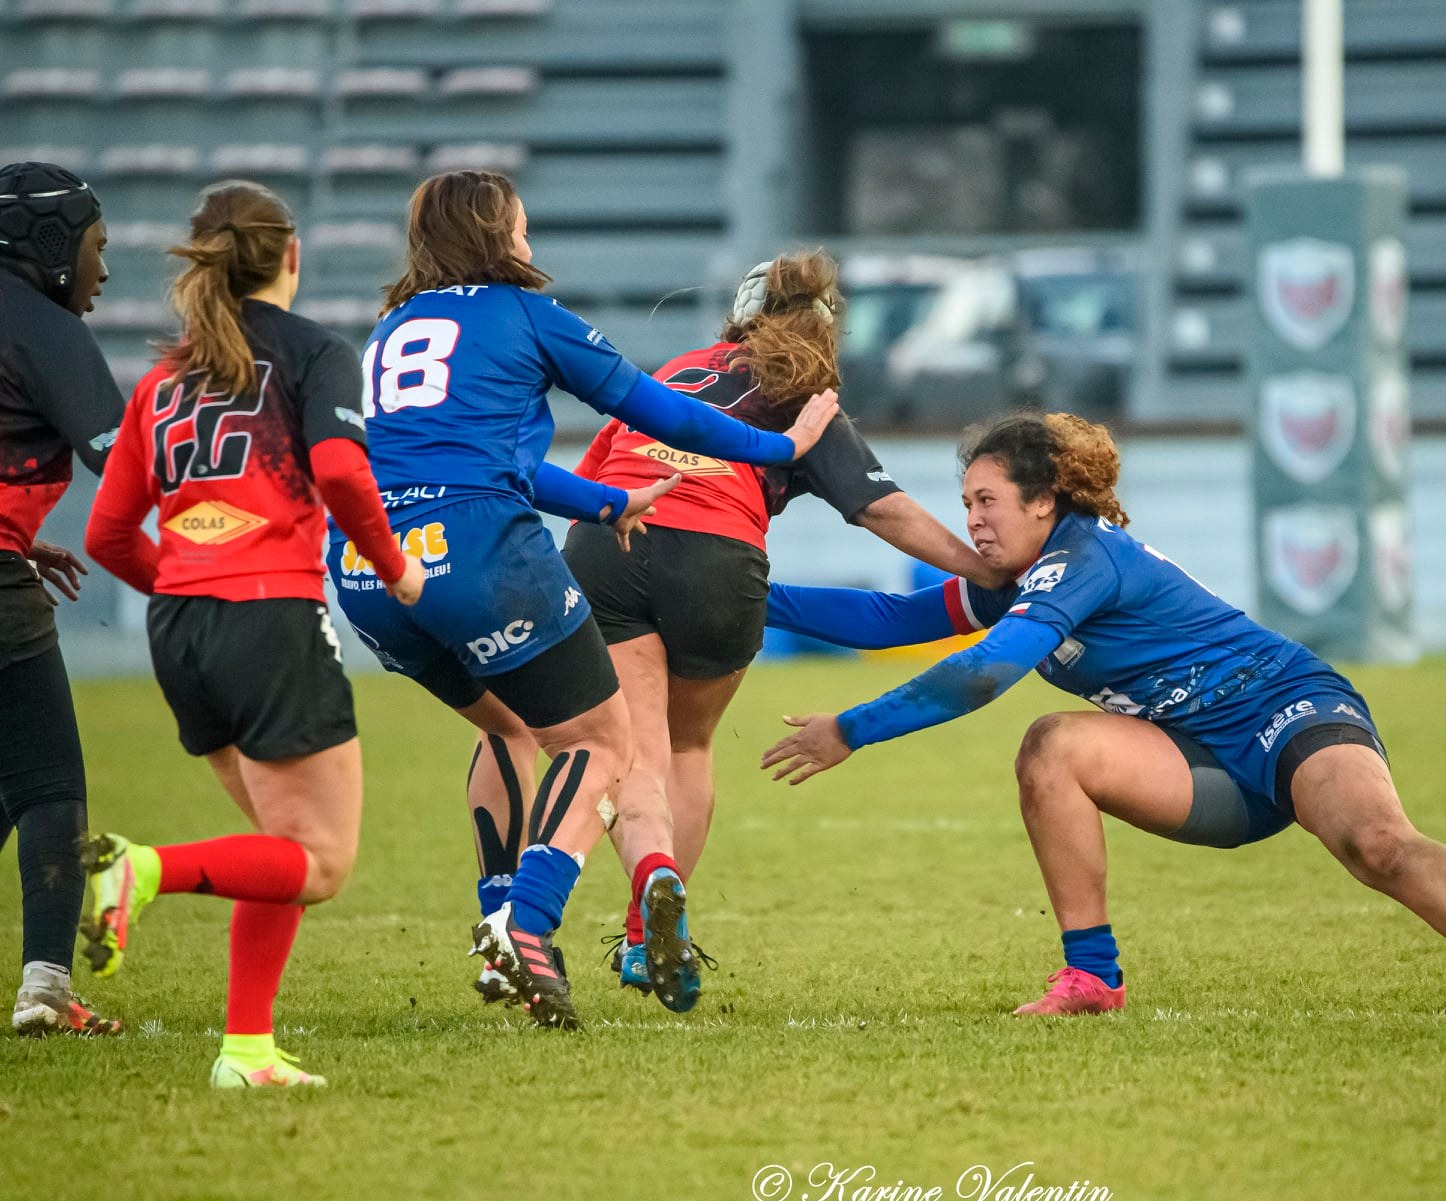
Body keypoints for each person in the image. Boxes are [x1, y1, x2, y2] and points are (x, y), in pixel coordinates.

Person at [761, 412, 1446, 1017]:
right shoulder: (1014, 580)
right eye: (967, 502)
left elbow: (983, 676)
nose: (971, 521)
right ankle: (1093, 978)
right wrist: (742, 592)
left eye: (986, 501)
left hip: (1288, 708)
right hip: (1196, 761)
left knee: (1376, 844)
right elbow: (884, 620)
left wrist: (852, 729)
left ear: (1045, 500)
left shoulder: (1083, 558)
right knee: (1053, 747)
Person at [329, 170, 838, 1026]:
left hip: (371, 569)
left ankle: (498, 909)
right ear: (499, 236)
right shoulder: (525, 314)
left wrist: (605, 502)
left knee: (513, 726)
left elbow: (495, 460)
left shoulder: (391, 330)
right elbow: (660, 411)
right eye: (522, 227)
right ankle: (526, 926)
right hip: (481, 555)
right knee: (603, 741)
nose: (530, 242)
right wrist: (781, 440)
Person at [524, 251, 1010, 1005]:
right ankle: (641, 930)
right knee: (688, 746)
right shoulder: (806, 394)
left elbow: (589, 478)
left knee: (636, 752)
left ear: (740, 316)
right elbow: (883, 508)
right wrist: (982, 569)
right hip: (720, 556)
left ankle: (644, 891)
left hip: (612, 542)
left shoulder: (681, 366)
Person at [81, 180, 423, 1087]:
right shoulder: (315, 353)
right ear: (292, 256)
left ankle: (247, 1051)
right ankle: (142, 868)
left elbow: (107, 534)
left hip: (180, 629)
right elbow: (344, 472)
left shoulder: (163, 381)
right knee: (318, 861)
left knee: (279, 846)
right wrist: (393, 567)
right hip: (269, 618)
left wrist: (193, 588)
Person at [0, 160, 126, 1037]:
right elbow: (118, 460)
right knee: (51, 786)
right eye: (96, 246)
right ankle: (46, 987)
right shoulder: (42, 327)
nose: (103, 271)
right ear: (49, 244)